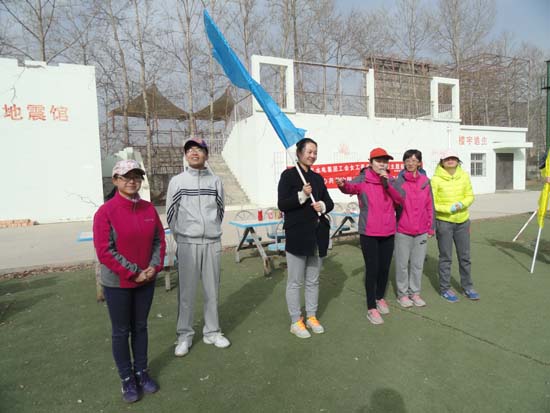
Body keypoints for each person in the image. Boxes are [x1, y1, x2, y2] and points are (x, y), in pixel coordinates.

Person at [93, 159, 166, 403]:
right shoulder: (105, 212)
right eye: (126, 177)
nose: (132, 181)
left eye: (136, 176)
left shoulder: (148, 209)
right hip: (118, 284)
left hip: (146, 280)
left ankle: (141, 372)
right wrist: (134, 272)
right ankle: (127, 378)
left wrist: (154, 266)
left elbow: (158, 240)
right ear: (115, 180)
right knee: (121, 331)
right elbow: (105, 251)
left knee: (141, 327)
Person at [166, 137, 230, 356]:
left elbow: (219, 211)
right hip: (187, 243)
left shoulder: (216, 181)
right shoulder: (177, 181)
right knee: (186, 293)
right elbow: (171, 214)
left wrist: (211, 230)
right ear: (185, 155)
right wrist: (183, 236)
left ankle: (212, 331)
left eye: (199, 149)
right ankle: (184, 335)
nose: (194, 153)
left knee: (212, 291)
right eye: (190, 150)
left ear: (206, 155)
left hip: (212, 242)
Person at [336, 147, 403, 325]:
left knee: (384, 268)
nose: (382, 164)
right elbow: (350, 187)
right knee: (372, 269)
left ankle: (380, 297)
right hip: (369, 232)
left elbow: (399, 199)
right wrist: (342, 184)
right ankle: (371, 307)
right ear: (370, 162)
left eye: (385, 161)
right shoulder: (363, 179)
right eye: (378, 161)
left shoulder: (391, 179)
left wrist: (387, 184)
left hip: (388, 231)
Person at [278, 137, 334, 338]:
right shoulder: (288, 176)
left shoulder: (318, 178)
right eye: (309, 151)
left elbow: (329, 202)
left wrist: (323, 205)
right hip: (297, 235)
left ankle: (311, 316)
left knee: (313, 280)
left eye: (315, 152)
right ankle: (296, 320)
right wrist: (301, 195)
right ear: (299, 153)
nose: (312, 155)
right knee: (295, 281)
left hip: (317, 236)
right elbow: (282, 204)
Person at [431, 148, 479, 302]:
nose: (450, 161)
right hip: (444, 222)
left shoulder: (464, 176)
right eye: (447, 159)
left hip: (462, 222)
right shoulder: (435, 179)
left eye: (453, 158)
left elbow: (470, 196)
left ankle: (467, 287)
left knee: (465, 257)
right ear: (442, 162)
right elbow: (432, 202)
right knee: (446, 257)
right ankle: (445, 289)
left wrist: (461, 204)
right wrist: (448, 209)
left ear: (458, 161)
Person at [393, 149, 434, 308]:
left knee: (417, 264)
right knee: (402, 265)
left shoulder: (425, 181)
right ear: (404, 163)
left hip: (421, 231)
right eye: (407, 160)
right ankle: (402, 295)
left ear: (419, 163)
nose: (410, 163)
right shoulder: (398, 182)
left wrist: (430, 227)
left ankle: (415, 293)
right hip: (403, 229)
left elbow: (430, 205)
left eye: (414, 160)